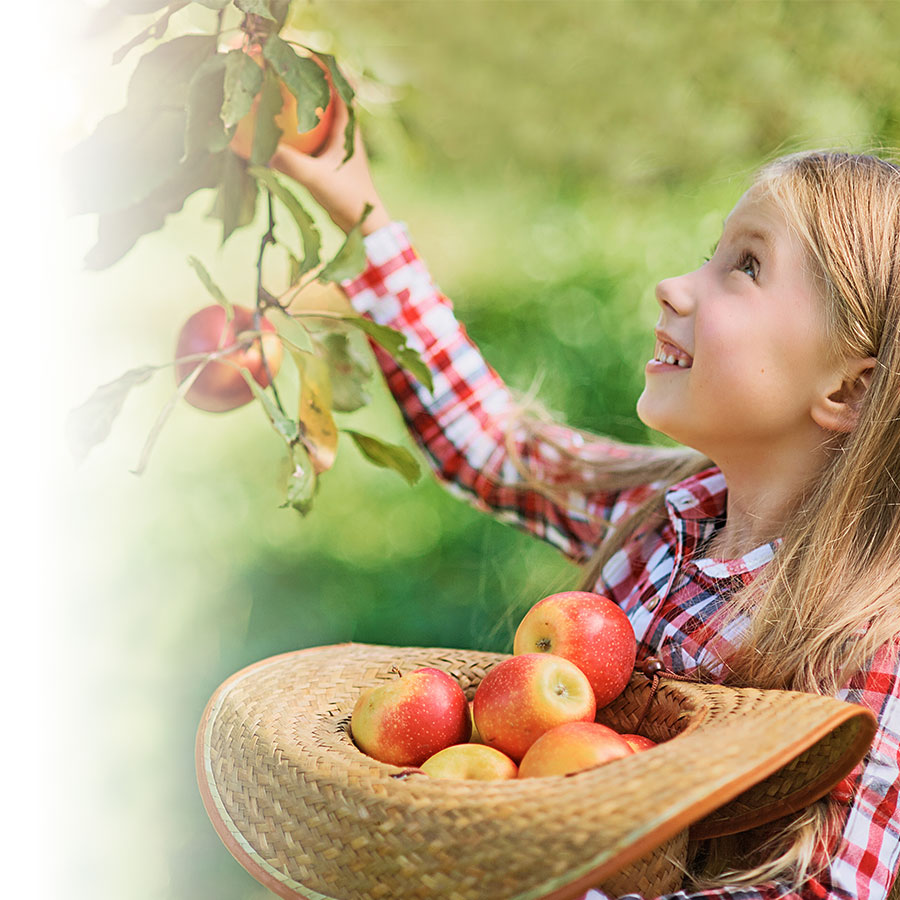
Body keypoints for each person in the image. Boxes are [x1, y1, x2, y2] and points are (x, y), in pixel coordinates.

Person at [270, 99, 900, 900]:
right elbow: (498, 449)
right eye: (711, 255)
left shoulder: (867, 640)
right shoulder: (665, 516)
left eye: (745, 266)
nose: (674, 286)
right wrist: (355, 208)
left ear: (849, 386)